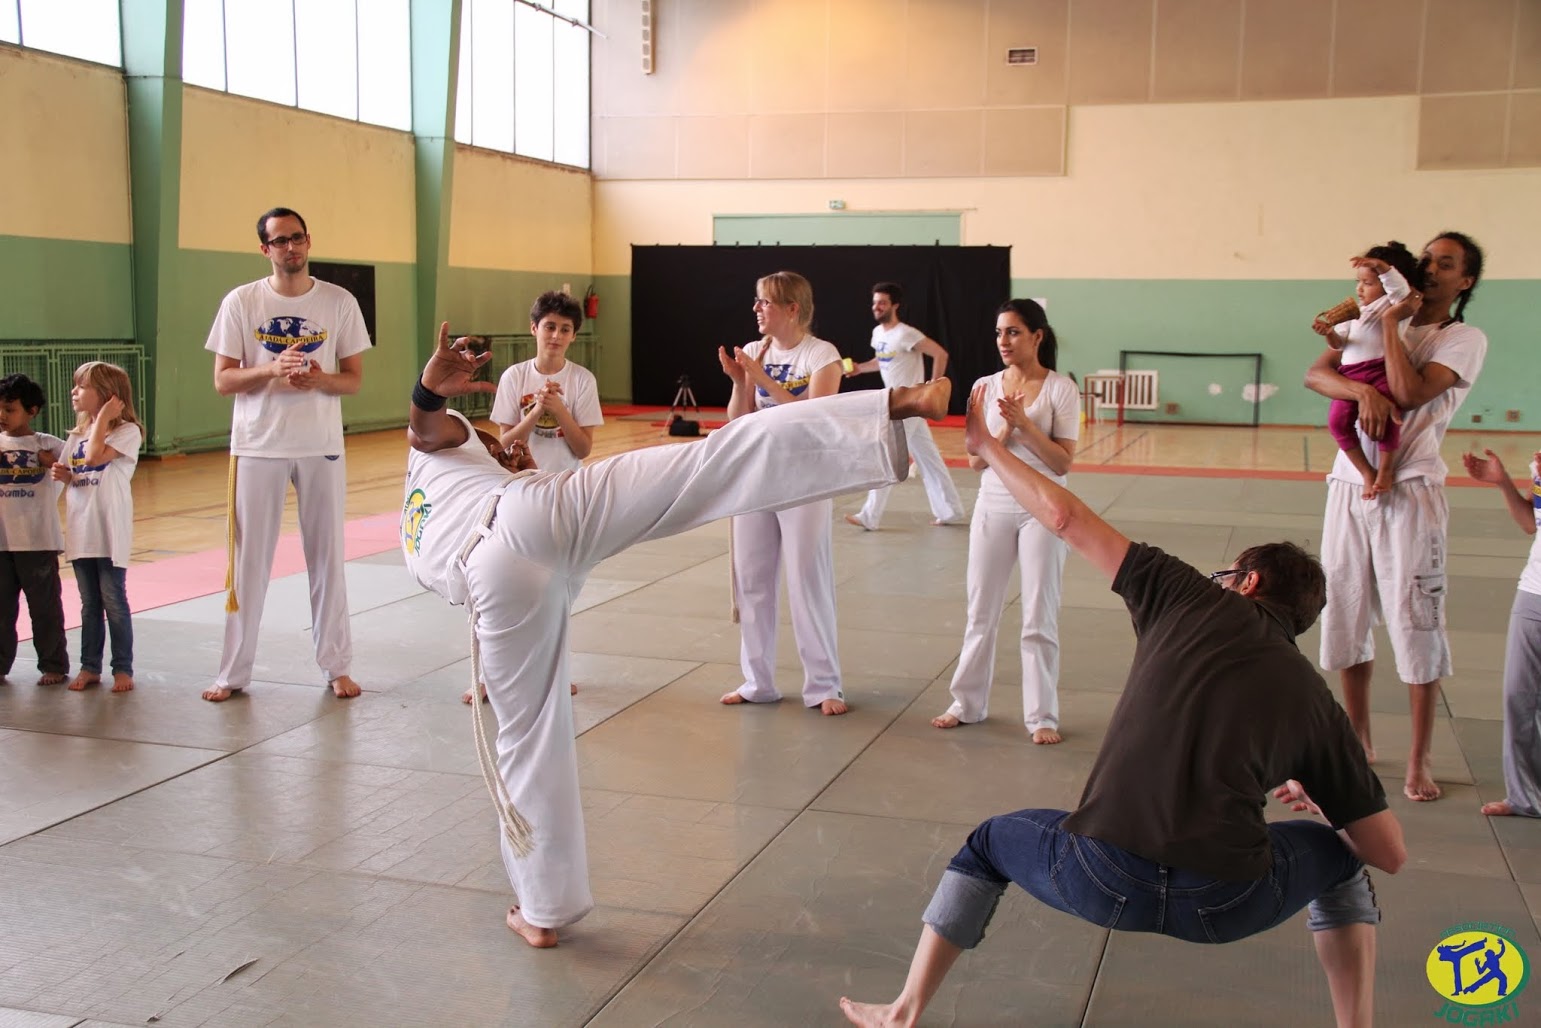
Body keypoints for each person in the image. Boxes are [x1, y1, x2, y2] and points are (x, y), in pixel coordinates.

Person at [839, 387, 1406, 1028]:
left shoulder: (1184, 596)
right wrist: (1327, 799)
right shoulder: (1315, 702)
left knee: (989, 843)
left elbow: (1065, 518)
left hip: (1099, 877)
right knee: (1341, 857)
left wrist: (988, 446)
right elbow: (1388, 851)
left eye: (1226, 575)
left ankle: (904, 1010)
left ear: (1246, 582)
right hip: (1225, 903)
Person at [403, 321, 947, 947]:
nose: (505, 446)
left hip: (499, 573)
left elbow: (440, 444)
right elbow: (425, 428)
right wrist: (427, 394)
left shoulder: (426, 515)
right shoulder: (446, 445)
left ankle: (542, 910)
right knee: (707, 461)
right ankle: (891, 406)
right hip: (527, 520)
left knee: (528, 738)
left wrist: (483, 443)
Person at [1305, 231, 1488, 801]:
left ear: (1466, 281)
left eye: (1447, 264)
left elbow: (1408, 395)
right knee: (1346, 608)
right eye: (1428, 259)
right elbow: (1315, 374)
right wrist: (1361, 395)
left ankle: (1420, 755)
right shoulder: (1371, 310)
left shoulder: (1461, 338)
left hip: (1410, 490)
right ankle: (1358, 738)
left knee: (1415, 618)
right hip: (1348, 487)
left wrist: (1391, 325)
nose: (1432, 269)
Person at [203, 206, 370, 703]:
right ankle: (233, 671)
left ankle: (336, 666)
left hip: (320, 446)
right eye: (279, 241)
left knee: (327, 557)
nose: (290, 247)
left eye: (297, 238)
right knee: (248, 561)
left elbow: (354, 379)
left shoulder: (339, 301)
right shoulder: (241, 301)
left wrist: (319, 379)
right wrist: (272, 371)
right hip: (258, 445)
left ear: (309, 241)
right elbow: (223, 380)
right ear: (265, 249)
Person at [932, 300, 1080, 744]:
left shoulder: (1060, 390)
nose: (1004, 341)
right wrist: (1004, 432)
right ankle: (968, 702)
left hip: (1043, 506)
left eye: (1014, 332)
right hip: (993, 504)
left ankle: (1042, 716)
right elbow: (977, 461)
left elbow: (1061, 461)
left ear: (1037, 336)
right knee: (981, 610)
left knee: (1039, 613)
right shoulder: (982, 387)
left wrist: (1025, 425)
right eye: (1000, 333)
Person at [720, 271, 848, 715]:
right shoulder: (756, 351)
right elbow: (739, 421)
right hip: (758, 476)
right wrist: (741, 381)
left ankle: (824, 685)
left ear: (792, 308)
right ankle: (758, 680)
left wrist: (764, 380)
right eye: (756, 302)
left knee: (806, 578)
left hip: (806, 478)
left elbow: (814, 418)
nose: (757, 309)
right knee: (753, 579)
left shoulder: (822, 355)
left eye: (765, 303)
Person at [843, 282, 965, 530]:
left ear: (894, 305)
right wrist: (859, 369)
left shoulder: (906, 333)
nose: (877, 307)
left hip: (909, 403)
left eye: (882, 303)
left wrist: (934, 385)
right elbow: (882, 362)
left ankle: (870, 514)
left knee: (887, 454)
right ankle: (950, 510)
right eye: (875, 302)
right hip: (896, 402)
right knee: (929, 459)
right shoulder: (878, 334)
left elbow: (940, 354)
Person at [51, 363, 141, 693]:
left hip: (108, 530)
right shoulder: (76, 435)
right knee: (89, 605)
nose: (74, 392)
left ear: (106, 395)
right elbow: (76, 469)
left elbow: (93, 458)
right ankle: (90, 665)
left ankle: (122, 667)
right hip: (81, 527)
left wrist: (102, 419)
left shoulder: (127, 431)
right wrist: (65, 475)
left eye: (82, 387)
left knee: (113, 601)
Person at [1461, 447, 1541, 819]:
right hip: (1534, 591)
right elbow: (1531, 523)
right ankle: (1525, 797)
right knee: (1517, 694)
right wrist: (1502, 482)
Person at [1310, 242, 1423, 500]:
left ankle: (1385, 470)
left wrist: (1382, 268)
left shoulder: (1394, 305)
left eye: (1368, 282)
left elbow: (1398, 287)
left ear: (1385, 282)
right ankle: (1366, 472)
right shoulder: (1355, 314)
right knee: (1338, 423)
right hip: (1350, 375)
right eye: (1358, 282)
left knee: (1388, 420)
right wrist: (1329, 334)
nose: (1360, 288)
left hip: (1380, 370)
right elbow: (1340, 344)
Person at [0, 373, 67, 686]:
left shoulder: (48, 444)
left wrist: (52, 463)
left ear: (32, 410)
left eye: (9, 408)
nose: (1, 415)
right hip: (2, 543)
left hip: (37, 541)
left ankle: (53, 665)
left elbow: (80, 471)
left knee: (44, 609)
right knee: (1, 610)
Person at [490, 291, 603, 474]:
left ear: (573, 335)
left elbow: (583, 450)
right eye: (550, 327)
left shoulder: (584, 380)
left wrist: (559, 410)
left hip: (565, 481)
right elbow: (504, 444)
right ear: (534, 328)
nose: (556, 335)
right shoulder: (513, 376)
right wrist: (536, 411)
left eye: (565, 329)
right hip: (520, 480)